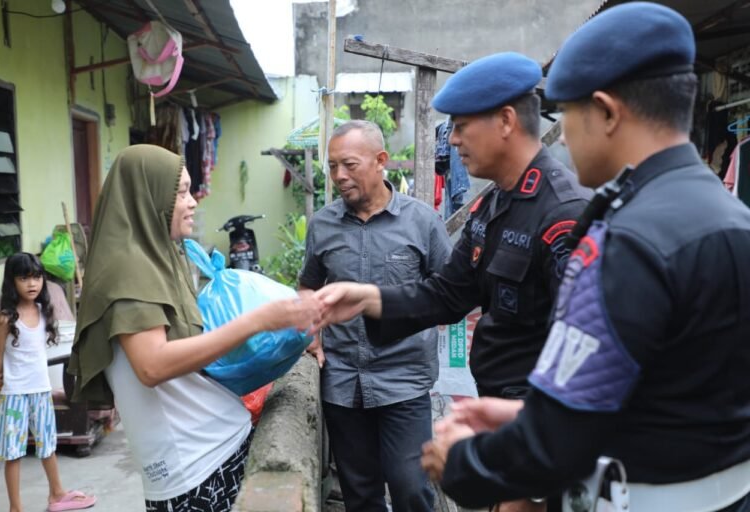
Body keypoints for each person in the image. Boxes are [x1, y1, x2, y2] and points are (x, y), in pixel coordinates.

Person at [417, 3, 750, 511]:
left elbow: (556, 444)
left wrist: (463, 462)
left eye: (568, 115)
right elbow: (669, 397)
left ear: (607, 112)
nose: (564, 135)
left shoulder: (624, 241)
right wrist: (520, 417)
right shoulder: (731, 218)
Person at [314, 53, 590, 511]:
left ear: (505, 121)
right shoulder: (493, 207)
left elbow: (582, 354)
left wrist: (535, 472)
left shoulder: (563, 213)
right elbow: (447, 294)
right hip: (499, 412)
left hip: (539, 424)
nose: (454, 140)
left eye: (461, 126)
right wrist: (367, 299)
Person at [67, 144, 321, 512]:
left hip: (213, 446)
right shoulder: (129, 270)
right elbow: (152, 366)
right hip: (193, 465)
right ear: (148, 195)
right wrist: (257, 321)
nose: (192, 203)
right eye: (181, 192)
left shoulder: (160, 257)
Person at [299, 120, 452, 512]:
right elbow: (308, 286)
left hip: (404, 380)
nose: (339, 176)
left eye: (349, 164)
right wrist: (311, 332)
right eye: (332, 167)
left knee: (411, 489)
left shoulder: (422, 222)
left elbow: (449, 293)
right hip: (343, 382)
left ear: (381, 160)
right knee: (359, 495)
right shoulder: (323, 225)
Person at [0, 253, 96, 512]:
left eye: (37, 277)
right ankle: (15, 507)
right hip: (14, 393)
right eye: (24, 277)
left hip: (41, 391)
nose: (32, 283)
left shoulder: (43, 312)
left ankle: (56, 493)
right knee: (13, 452)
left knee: (47, 445)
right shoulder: (5, 319)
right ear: (12, 281)